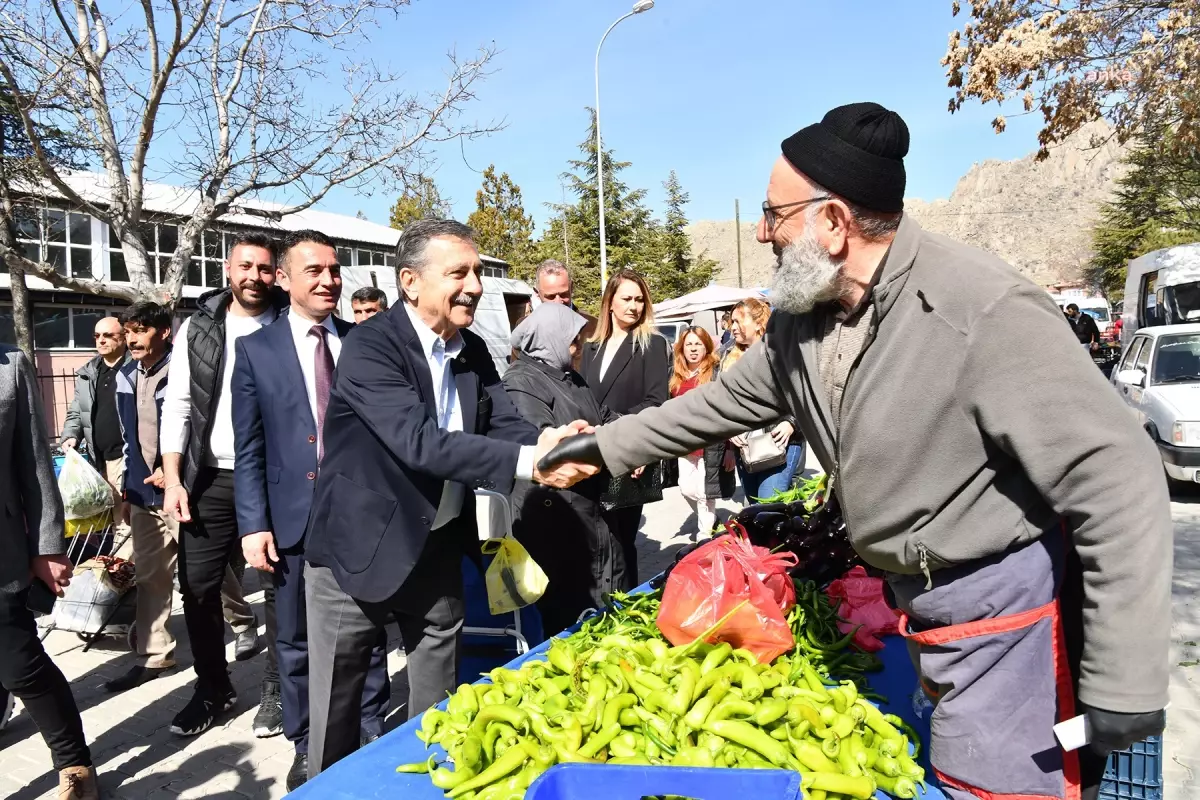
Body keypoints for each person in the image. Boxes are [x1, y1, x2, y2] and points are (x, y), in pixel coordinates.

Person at [540, 102, 1169, 800]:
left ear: (834, 223)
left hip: (1002, 612)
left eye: (775, 214)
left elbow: (1117, 474)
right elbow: (713, 406)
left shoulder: (979, 309)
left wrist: (1122, 676)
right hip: (916, 601)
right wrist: (601, 447)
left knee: (992, 786)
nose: (761, 231)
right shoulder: (801, 324)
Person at [302, 219, 595, 778]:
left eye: (478, 271)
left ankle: (425, 781)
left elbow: (501, 421)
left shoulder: (473, 348)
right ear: (410, 282)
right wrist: (531, 463)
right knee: (337, 708)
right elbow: (419, 443)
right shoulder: (370, 345)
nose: (476, 285)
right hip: (356, 548)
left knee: (438, 702)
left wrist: (548, 445)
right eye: (458, 272)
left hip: (436, 545)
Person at [232, 230, 390, 791]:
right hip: (292, 520)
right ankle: (307, 741)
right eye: (314, 271)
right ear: (284, 279)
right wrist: (253, 525)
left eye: (334, 269)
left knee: (366, 634)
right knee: (296, 639)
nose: (328, 280)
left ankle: (371, 729)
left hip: (361, 517)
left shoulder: (364, 343)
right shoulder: (255, 349)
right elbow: (249, 448)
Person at [160, 233, 285, 737]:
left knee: (278, 588)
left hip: (275, 479)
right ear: (228, 270)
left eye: (264, 267)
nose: (254, 276)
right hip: (209, 477)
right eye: (245, 266)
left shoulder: (289, 321)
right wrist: (173, 478)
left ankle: (278, 688)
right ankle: (213, 687)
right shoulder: (199, 327)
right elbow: (179, 406)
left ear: (276, 273)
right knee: (197, 589)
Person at [1, 346, 99, 799]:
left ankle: (74, 761)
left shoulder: (10, 366)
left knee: (20, 665)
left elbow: (34, 464)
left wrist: (46, 547)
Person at [503, 302, 625, 635]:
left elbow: (605, 417)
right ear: (549, 338)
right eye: (573, 340)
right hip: (555, 515)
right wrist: (604, 444)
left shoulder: (571, 378)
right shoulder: (522, 381)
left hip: (590, 506)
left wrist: (633, 437)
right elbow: (543, 443)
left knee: (598, 600)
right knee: (565, 612)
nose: (578, 347)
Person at [103, 302, 180, 694]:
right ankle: (156, 652)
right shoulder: (126, 376)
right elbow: (128, 437)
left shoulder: (182, 371)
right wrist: (130, 491)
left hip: (184, 490)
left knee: (208, 573)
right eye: (128, 330)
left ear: (164, 332)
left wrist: (174, 471)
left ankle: (242, 622)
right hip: (144, 492)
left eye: (140, 330)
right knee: (151, 574)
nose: (131, 338)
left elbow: (197, 430)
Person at [579, 269, 669, 590]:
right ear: (610, 303)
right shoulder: (590, 347)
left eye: (639, 300)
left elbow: (656, 402)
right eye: (627, 298)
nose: (634, 306)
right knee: (594, 541)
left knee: (621, 543)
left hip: (628, 455)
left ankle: (626, 609)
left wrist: (630, 437)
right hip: (590, 454)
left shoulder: (652, 344)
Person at [723, 298, 806, 501]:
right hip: (745, 447)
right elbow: (723, 402)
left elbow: (803, 392)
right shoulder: (728, 357)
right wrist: (728, 431)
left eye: (738, 321)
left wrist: (791, 423)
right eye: (731, 322)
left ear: (759, 323)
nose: (732, 327)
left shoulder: (782, 351)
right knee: (755, 510)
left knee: (768, 504)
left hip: (780, 442)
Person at [60, 316, 132, 546]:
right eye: (97, 336)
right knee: (110, 520)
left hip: (126, 456)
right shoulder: (88, 372)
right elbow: (76, 412)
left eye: (108, 335)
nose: (101, 341)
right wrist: (71, 435)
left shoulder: (135, 367)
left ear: (123, 338)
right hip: (98, 460)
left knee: (125, 522)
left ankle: (120, 574)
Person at [669, 327, 734, 537]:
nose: (693, 349)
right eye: (689, 344)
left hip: (710, 443)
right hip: (684, 443)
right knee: (686, 488)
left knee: (706, 492)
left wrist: (730, 448)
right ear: (682, 348)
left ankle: (704, 536)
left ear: (706, 346)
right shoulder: (675, 375)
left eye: (698, 344)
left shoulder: (715, 373)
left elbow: (727, 411)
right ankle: (712, 520)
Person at [532, 259, 598, 339]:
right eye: (551, 297)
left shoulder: (594, 327)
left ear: (571, 288)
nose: (558, 302)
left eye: (563, 294)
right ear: (537, 293)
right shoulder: (525, 327)